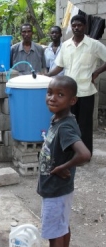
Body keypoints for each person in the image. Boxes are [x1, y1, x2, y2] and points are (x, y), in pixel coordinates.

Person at [37, 75, 91, 247]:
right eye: (49, 93)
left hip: (56, 189)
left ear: (72, 100)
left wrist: (62, 167)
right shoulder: (58, 119)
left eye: (60, 95)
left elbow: (84, 154)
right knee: (61, 226)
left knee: (54, 234)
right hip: (58, 189)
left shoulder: (66, 126)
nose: (52, 98)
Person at [45, 15, 106, 155]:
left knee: (85, 125)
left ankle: (85, 154)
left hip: (86, 91)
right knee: (69, 123)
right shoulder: (66, 45)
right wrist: (48, 75)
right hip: (69, 93)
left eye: (79, 25)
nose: (76, 28)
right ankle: (71, 153)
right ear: (71, 27)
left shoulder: (93, 44)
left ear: (85, 27)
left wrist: (96, 72)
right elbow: (59, 66)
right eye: (74, 25)